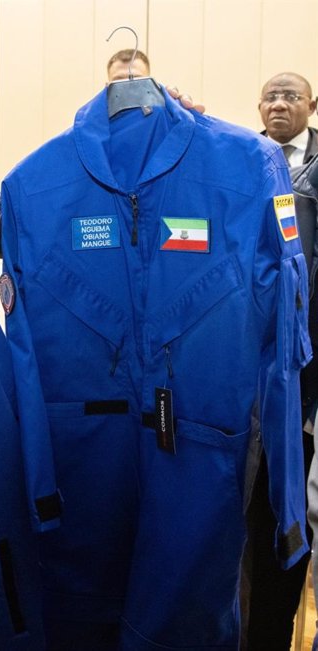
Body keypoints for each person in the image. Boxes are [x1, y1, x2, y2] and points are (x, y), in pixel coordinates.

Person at [240, 73, 318, 651]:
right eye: (270, 95)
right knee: (254, 518)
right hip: (248, 377)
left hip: (308, 377)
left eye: (290, 95)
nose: (279, 104)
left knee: (301, 513)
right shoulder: (244, 163)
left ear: (311, 106)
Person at [259, 72, 318, 167]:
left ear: (311, 107)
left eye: (291, 97)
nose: (278, 105)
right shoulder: (245, 153)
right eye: (270, 98)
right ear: (260, 107)